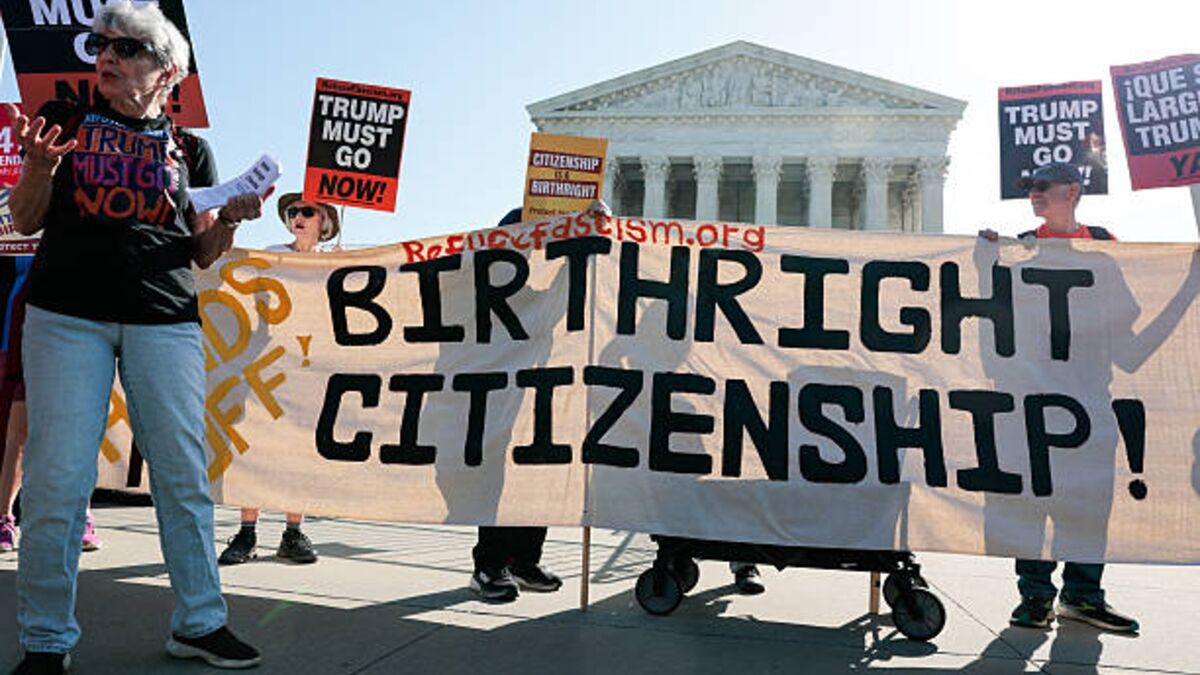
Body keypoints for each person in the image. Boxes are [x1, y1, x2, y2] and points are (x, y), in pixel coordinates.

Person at [5, 2, 262, 672]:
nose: (109, 55)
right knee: (59, 476)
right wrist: (36, 169)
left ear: (168, 72)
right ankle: (44, 639)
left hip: (166, 319)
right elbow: (27, 221)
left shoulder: (191, 149)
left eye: (129, 47)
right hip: (66, 317)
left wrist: (229, 219)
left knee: (181, 472)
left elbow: (202, 254)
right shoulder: (61, 121)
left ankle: (201, 622)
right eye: (103, 44)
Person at [979, 162, 1138, 634]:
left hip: (1088, 394)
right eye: (1029, 190)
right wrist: (984, 265)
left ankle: (1083, 596)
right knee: (1031, 500)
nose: (1033, 196)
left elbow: (1125, 327)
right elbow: (996, 316)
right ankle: (1035, 597)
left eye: (1042, 188)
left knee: (1088, 501)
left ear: (1072, 190)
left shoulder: (1105, 245)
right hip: (1032, 396)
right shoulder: (1022, 246)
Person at [217, 193, 340, 566]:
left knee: (297, 449)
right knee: (252, 445)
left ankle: (292, 531)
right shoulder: (272, 252)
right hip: (264, 362)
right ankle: (247, 531)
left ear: (325, 223)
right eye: (292, 212)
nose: (297, 217)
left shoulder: (336, 264)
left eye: (307, 211)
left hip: (307, 369)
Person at [465, 206, 565, 602]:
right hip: (494, 397)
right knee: (497, 481)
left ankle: (525, 561)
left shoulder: (547, 287)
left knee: (536, 476)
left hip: (539, 395)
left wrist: (591, 224)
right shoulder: (483, 282)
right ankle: (488, 566)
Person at [0, 254, 103, 555]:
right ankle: (4, 517)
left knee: (81, 425)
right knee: (19, 428)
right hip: (21, 317)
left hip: (79, 319)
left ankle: (80, 513)